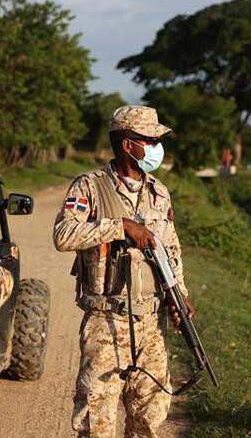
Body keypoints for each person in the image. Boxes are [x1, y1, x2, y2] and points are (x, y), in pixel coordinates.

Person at [53, 105, 194, 438]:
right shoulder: (89, 186)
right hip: (106, 321)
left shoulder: (159, 193)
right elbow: (63, 235)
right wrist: (120, 227)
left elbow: (171, 249)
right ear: (128, 143)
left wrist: (180, 294)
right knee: (97, 421)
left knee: (150, 418)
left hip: (151, 325)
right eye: (150, 139)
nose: (157, 148)